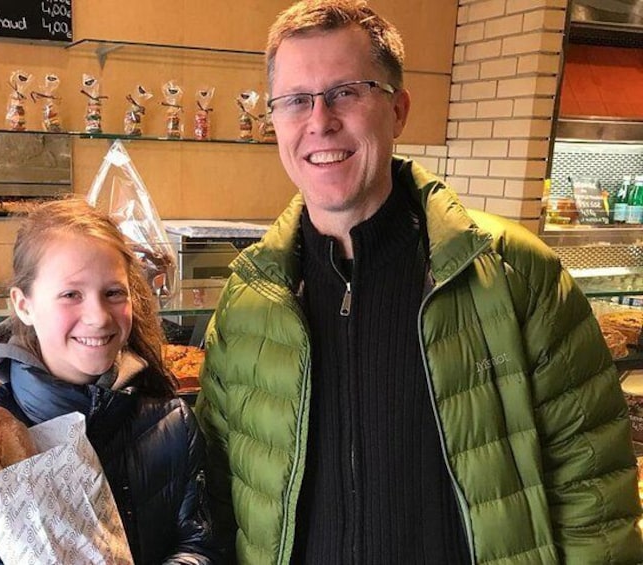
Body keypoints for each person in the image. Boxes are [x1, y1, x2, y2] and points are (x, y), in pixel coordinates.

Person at [194, 1, 643, 564]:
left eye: (346, 92)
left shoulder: (515, 275)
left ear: (398, 109)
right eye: (295, 101)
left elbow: (594, 492)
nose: (319, 121)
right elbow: (219, 490)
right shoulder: (251, 298)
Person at [0, 198, 217, 564]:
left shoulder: (172, 423)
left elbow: (198, 545)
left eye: (113, 293)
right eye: (71, 295)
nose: (98, 317)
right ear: (23, 305)